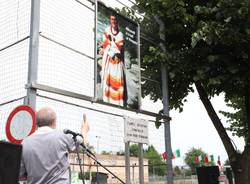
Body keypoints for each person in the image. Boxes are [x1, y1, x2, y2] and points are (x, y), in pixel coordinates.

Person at [19, 107, 84, 184]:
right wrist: (84, 130)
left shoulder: (25, 143)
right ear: (54, 122)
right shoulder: (62, 136)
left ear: (36, 123)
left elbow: (20, 175)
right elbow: (82, 146)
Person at [101, 14, 125, 106]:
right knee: (108, 81)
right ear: (110, 20)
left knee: (118, 84)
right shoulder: (107, 31)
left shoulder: (121, 34)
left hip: (117, 63)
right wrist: (111, 44)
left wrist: (111, 42)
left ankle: (118, 103)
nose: (113, 21)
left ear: (117, 21)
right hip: (109, 60)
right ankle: (107, 101)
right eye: (112, 19)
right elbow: (105, 45)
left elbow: (119, 48)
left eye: (115, 20)